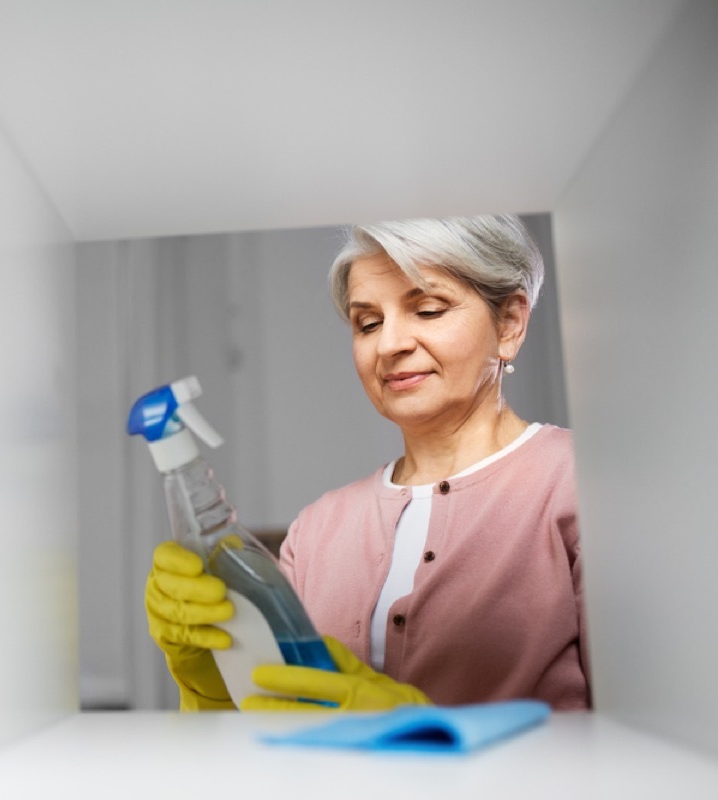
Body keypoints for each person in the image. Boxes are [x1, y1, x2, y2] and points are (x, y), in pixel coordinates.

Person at [144, 215, 589, 712]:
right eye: (368, 323)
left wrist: (425, 732)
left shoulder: (582, 483)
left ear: (509, 324)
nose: (389, 345)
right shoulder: (316, 531)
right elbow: (273, 723)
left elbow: (639, 729)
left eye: (428, 310)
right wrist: (212, 682)